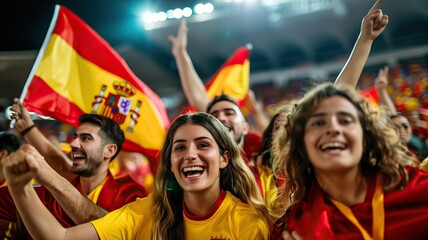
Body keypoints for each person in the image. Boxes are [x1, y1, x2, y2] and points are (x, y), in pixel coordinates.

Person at [4, 112, 272, 239]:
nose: (190, 154)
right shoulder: (147, 211)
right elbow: (59, 238)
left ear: (225, 158)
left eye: (203, 145)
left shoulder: (247, 224)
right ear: (169, 161)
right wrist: (20, 187)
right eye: (179, 147)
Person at [270, 83, 428, 239]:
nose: (333, 128)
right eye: (318, 123)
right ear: (301, 144)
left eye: (345, 121)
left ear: (366, 137)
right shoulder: (293, 229)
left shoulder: (419, 192)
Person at [0, 100, 147, 229]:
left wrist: (49, 175)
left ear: (109, 150)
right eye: (76, 136)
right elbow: (58, 162)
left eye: (86, 138)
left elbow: (114, 232)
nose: (73, 143)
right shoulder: (46, 195)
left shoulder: (130, 195)